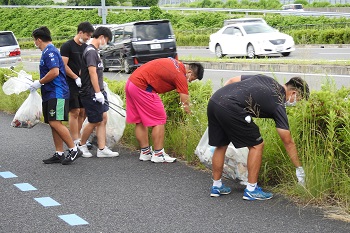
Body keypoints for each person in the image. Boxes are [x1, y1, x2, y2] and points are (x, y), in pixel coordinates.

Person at [207, 74, 309, 200]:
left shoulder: (267, 80)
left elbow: (232, 80)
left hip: (215, 100)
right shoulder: (278, 102)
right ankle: (251, 189)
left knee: (221, 144)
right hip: (231, 107)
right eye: (299, 99)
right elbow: (287, 141)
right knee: (257, 145)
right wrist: (299, 168)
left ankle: (216, 186)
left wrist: (222, 103)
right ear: (293, 93)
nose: (296, 103)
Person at [125, 58, 204, 163]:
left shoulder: (176, 64)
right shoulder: (180, 74)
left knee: (140, 120)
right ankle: (158, 154)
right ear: (189, 72)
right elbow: (185, 101)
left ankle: (145, 152)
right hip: (143, 87)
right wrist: (192, 116)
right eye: (192, 79)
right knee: (159, 119)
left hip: (131, 83)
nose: (189, 81)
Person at [30, 26, 82, 165]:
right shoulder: (47, 51)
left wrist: (39, 82)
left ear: (39, 40)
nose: (35, 43)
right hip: (50, 93)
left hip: (57, 93)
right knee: (53, 123)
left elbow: (54, 72)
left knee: (54, 121)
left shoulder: (50, 52)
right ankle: (59, 153)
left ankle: (74, 149)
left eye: (35, 41)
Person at [77, 26, 119, 158]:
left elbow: (83, 71)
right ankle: (81, 145)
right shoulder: (90, 51)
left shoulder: (94, 51)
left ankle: (102, 148)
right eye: (106, 40)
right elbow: (92, 72)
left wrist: (101, 87)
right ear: (101, 37)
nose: (105, 43)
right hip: (91, 92)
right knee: (95, 120)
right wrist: (97, 92)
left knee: (103, 118)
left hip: (98, 90)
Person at [60, 21, 94, 148]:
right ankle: (75, 140)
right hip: (71, 83)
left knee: (83, 111)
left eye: (90, 36)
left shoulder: (85, 47)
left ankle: (80, 137)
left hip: (83, 84)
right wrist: (75, 77)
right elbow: (63, 65)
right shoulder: (67, 46)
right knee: (75, 111)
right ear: (80, 32)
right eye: (87, 35)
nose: (88, 38)